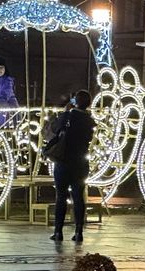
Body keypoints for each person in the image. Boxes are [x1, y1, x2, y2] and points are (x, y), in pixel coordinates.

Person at [49, 89, 95, 243]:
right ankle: (79, 231)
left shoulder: (68, 116)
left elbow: (55, 129)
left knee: (61, 197)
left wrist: (65, 112)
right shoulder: (89, 120)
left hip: (64, 160)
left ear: (75, 101)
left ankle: (58, 231)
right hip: (81, 162)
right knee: (78, 197)